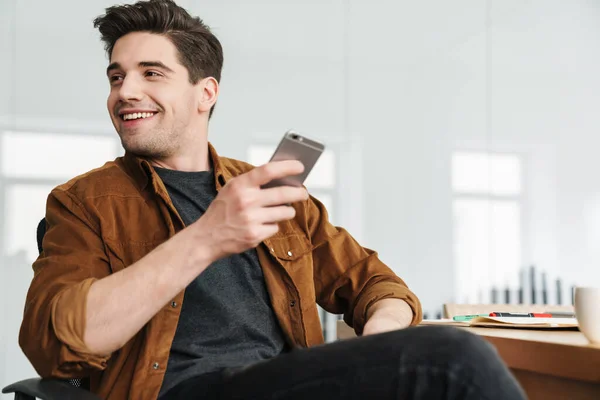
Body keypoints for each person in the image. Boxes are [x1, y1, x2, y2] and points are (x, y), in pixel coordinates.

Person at [18, 1, 525, 399]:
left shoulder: (263, 191)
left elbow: (377, 284)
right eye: (116, 76)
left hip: (288, 383)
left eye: (151, 73)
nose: (124, 90)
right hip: (183, 392)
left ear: (205, 93)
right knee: (452, 362)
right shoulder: (84, 201)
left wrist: (379, 342)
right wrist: (207, 238)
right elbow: (57, 345)